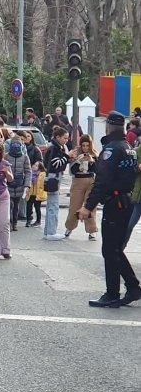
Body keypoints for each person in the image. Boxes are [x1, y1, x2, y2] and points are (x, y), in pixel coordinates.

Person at [78, 111, 141, 308]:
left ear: (107, 127)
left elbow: (102, 182)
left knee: (110, 250)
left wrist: (87, 207)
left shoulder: (111, 150)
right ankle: (132, 287)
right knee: (114, 249)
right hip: (126, 200)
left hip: (115, 203)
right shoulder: (128, 147)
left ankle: (113, 293)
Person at [65, 135, 98, 240]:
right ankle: (69, 227)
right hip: (78, 181)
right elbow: (72, 171)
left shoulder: (94, 153)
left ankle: (91, 231)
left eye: (87, 145)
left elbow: (97, 170)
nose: (85, 148)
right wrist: (78, 161)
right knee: (74, 206)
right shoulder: (75, 153)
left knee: (90, 206)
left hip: (91, 181)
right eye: (83, 145)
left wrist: (92, 160)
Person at [43, 127, 70, 240]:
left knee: (51, 205)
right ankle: (51, 232)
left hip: (52, 177)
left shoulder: (55, 147)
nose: (66, 140)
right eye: (65, 138)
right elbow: (56, 164)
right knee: (53, 206)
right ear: (58, 137)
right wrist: (67, 157)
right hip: (53, 177)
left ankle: (48, 231)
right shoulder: (54, 148)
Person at [4, 132, 31, 231]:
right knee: (9, 205)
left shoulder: (24, 157)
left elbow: (28, 171)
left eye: (18, 145)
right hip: (8, 184)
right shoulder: (6, 156)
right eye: (14, 145)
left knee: (16, 206)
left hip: (20, 184)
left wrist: (27, 185)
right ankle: (10, 222)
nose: (16, 146)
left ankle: (14, 223)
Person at [25, 161, 47, 228]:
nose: (34, 166)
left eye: (37, 165)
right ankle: (28, 220)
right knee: (28, 207)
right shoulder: (30, 173)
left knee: (37, 208)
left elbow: (43, 184)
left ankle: (38, 221)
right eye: (34, 164)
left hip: (38, 194)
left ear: (40, 167)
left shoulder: (42, 174)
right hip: (30, 193)